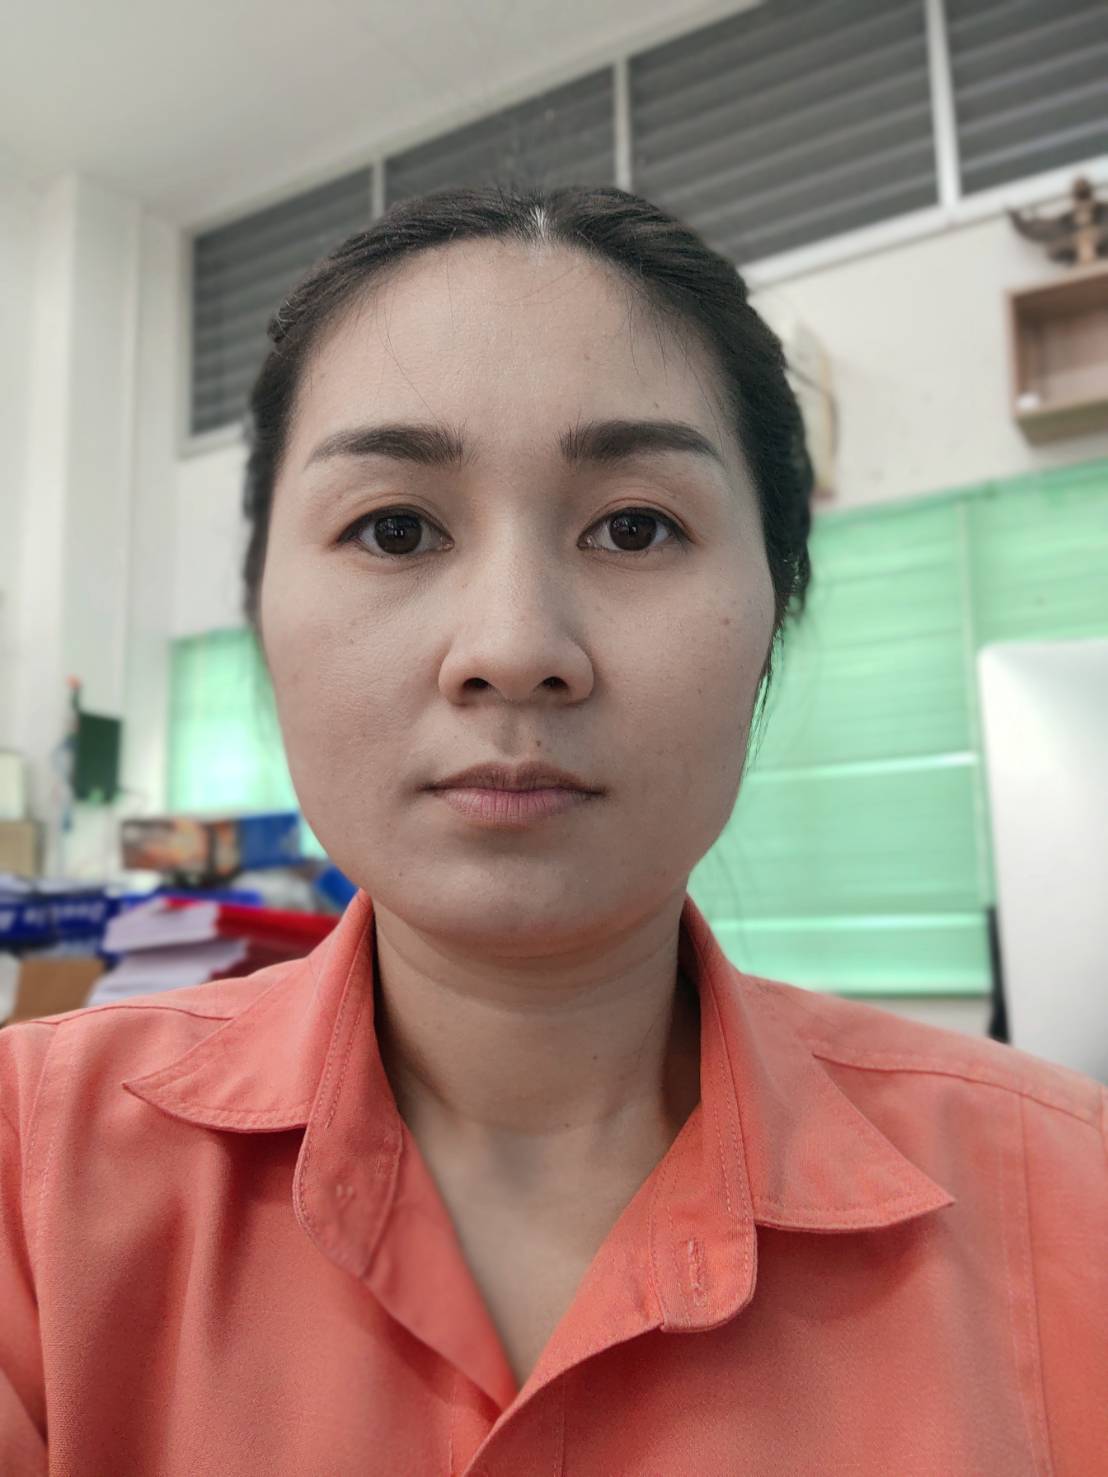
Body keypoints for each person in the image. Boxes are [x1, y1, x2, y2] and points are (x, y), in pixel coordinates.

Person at [1, 185, 1105, 1476]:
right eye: (395, 528)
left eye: (635, 527)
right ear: (263, 614)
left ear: (776, 614)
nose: (514, 647)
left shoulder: (1064, 1196)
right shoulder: (28, 1174)